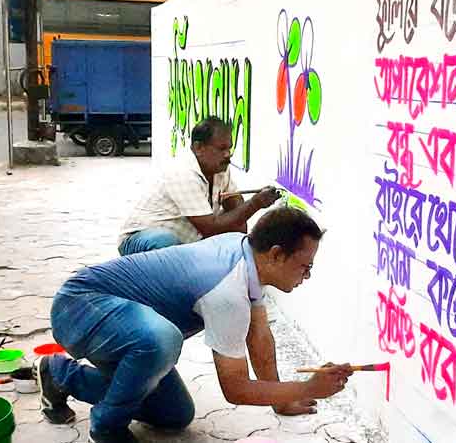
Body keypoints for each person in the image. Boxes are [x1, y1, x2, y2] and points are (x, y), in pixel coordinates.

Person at [35, 207, 352, 443]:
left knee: (175, 415)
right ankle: (106, 428)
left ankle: (59, 374)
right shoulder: (228, 289)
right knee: (162, 339)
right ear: (276, 255)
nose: (306, 276)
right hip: (79, 307)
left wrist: (283, 400)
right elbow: (236, 389)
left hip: (122, 327)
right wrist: (309, 387)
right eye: (305, 266)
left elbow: (259, 336)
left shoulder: (246, 256)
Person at [117, 116, 281, 255]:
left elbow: (234, 204)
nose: (227, 155)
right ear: (198, 148)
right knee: (165, 242)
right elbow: (210, 228)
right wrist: (255, 203)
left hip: (183, 243)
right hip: (140, 240)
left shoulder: (219, 168)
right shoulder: (183, 173)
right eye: (221, 149)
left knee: (236, 228)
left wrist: (239, 211)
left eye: (229, 148)